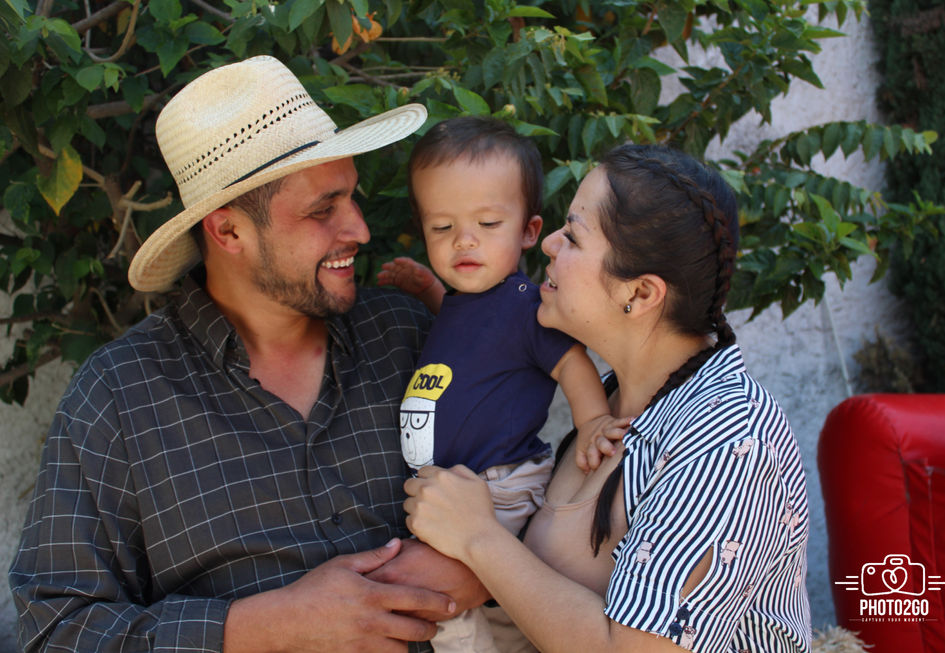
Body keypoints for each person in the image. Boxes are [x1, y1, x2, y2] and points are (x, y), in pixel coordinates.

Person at [8, 55, 490, 652]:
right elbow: (54, 630)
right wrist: (265, 626)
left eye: (351, 198)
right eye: (323, 209)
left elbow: (524, 477)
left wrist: (486, 566)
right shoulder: (119, 396)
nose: (360, 230)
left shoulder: (407, 334)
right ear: (228, 231)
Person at [403, 144, 812, 652]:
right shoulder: (615, 402)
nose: (548, 242)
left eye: (573, 236)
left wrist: (477, 536)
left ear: (638, 293)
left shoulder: (728, 442)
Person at [378, 117, 628, 652]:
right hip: (458, 488)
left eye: (488, 222)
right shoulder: (463, 303)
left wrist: (592, 421)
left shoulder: (524, 305)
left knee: (435, 595)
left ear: (530, 231)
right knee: (491, 610)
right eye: (441, 228)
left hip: (499, 484)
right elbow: (470, 344)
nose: (464, 239)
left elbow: (570, 362)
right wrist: (429, 292)